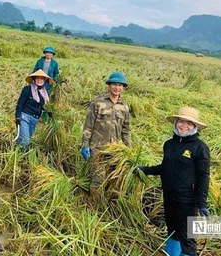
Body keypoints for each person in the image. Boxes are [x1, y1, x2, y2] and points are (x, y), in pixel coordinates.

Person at [139, 107, 210, 256]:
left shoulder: (200, 147)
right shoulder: (169, 144)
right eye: (181, 121)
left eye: (189, 123)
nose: (184, 126)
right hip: (169, 196)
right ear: (176, 122)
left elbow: (204, 176)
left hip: (187, 200)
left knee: (187, 236)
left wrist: (202, 203)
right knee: (172, 230)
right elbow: (165, 167)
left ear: (195, 126)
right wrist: (146, 170)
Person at [80, 72, 131, 200]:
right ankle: (94, 206)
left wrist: (128, 149)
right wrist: (85, 145)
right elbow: (88, 125)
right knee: (98, 178)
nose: (117, 88)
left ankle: (106, 202)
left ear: (123, 88)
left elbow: (126, 130)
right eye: (114, 84)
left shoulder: (124, 107)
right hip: (96, 148)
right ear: (109, 85)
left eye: (120, 85)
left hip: (114, 149)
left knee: (111, 178)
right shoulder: (97, 102)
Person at [15, 69, 53, 148]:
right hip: (24, 116)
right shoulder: (27, 89)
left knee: (24, 139)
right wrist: (18, 116)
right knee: (25, 141)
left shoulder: (45, 93)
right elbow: (20, 104)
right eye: (37, 78)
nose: (39, 80)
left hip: (35, 119)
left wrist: (49, 112)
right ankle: (19, 156)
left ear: (45, 80)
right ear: (34, 79)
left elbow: (43, 107)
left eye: (42, 78)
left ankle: (16, 153)